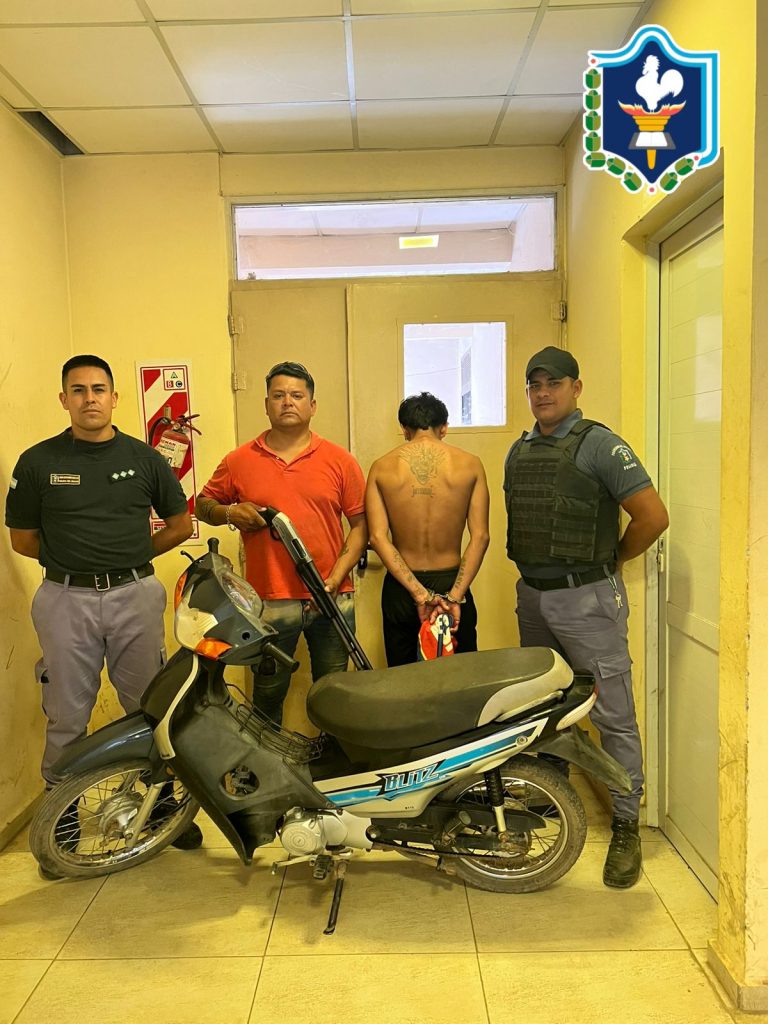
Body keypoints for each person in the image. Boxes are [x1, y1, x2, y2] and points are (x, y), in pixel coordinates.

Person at [5, 354, 202, 849]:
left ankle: (160, 807)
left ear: (114, 398)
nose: (89, 398)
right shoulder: (38, 462)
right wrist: (76, 563)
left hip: (135, 597)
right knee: (66, 713)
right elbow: (22, 540)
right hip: (64, 601)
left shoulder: (145, 459)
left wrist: (130, 557)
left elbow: (180, 525)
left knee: (149, 706)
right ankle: (63, 818)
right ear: (64, 399)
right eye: (78, 390)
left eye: (98, 390)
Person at [503, 346, 669, 889]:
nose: (542, 393)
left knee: (612, 714)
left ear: (576, 388)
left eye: (553, 383)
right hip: (534, 597)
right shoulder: (519, 451)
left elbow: (653, 517)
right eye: (534, 385)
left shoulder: (600, 445)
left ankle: (625, 824)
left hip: (587, 599)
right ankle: (550, 799)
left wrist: (614, 560)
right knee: (543, 705)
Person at [195, 361, 367, 725]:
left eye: (296, 395)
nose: (287, 402)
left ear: (312, 405)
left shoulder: (340, 461)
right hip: (268, 601)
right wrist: (230, 513)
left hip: (332, 596)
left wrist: (336, 577)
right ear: (266, 404)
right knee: (267, 696)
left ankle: (334, 760)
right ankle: (265, 760)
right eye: (278, 395)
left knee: (335, 695)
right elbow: (202, 505)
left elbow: (360, 527)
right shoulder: (239, 460)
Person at [366, 392, 490, 666]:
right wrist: (454, 597)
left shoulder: (381, 468)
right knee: (461, 678)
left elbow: (377, 537)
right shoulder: (470, 465)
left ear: (404, 429)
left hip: (402, 588)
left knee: (403, 678)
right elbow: (481, 537)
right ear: (444, 427)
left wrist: (419, 594)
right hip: (452, 583)